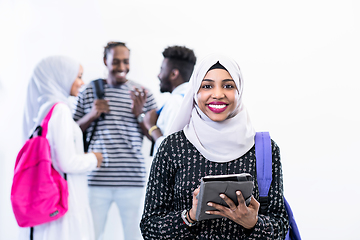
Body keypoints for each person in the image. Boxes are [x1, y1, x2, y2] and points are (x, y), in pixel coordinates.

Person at [140, 54, 289, 239]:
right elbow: (149, 227)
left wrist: (254, 224)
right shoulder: (172, 147)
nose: (218, 94)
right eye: (207, 86)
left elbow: (281, 225)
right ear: (195, 91)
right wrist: (190, 216)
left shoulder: (265, 149)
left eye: (228, 85)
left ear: (239, 90)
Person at [73, 41, 157, 240]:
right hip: (96, 179)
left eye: (126, 62)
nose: (122, 67)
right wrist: (92, 115)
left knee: (134, 235)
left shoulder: (142, 94)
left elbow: (155, 137)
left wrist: (139, 115)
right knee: (91, 234)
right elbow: (70, 133)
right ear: (105, 61)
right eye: (116, 61)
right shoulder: (88, 91)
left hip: (133, 178)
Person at [21, 56, 103, 240]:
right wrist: (93, 159)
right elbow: (67, 162)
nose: (82, 82)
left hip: (51, 197)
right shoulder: (61, 111)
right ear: (62, 76)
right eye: (78, 76)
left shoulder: (44, 109)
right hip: (67, 197)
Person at [143, 45, 196, 155]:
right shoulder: (191, 99)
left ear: (173, 74)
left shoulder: (176, 102)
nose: (159, 75)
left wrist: (152, 126)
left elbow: (171, 151)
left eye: (162, 69)